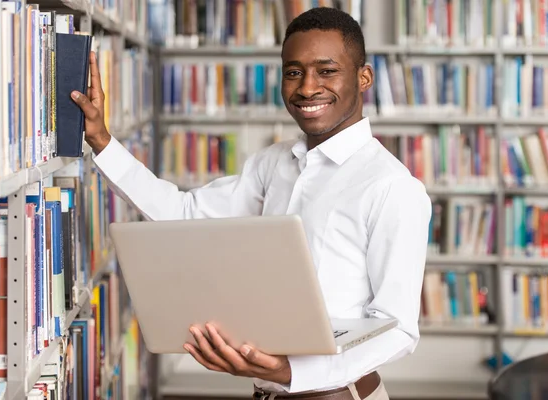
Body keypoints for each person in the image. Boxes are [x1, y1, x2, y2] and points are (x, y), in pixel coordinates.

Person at [71, 7, 432, 400]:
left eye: (326, 71)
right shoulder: (273, 162)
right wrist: (103, 143)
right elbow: (186, 214)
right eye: (294, 72)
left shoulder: (392, 187)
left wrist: (292, 371)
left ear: (364, 78)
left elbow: (397, 329)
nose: (308, 88)